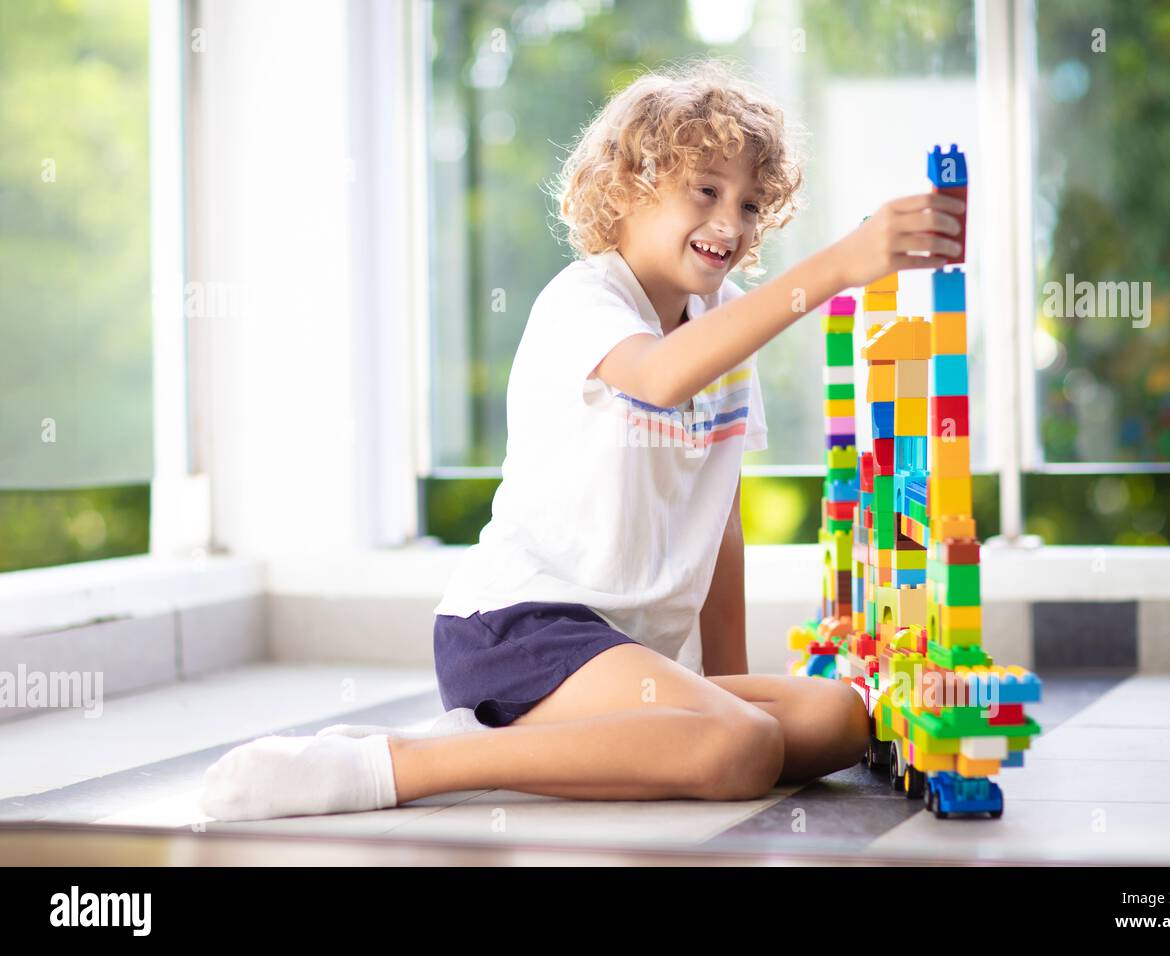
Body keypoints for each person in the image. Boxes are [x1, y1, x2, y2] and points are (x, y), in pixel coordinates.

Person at [199, 59, 965, 821]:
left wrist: (719, 684)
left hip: (627, 656)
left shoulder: (722, 324)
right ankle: (401, 762)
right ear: (630, 189)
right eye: (706, 191)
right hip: (521, 629)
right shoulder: (584, 301)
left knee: (833, 718)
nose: (731, 223)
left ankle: (663, 733)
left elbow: (720, 518)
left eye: (752, 204)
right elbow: (659, 376)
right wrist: (835, 268)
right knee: (742, 748)